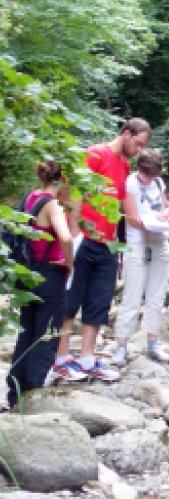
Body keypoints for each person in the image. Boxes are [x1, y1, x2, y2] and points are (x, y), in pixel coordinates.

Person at [54, 117, 151, 383]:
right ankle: (61, 357)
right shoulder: (96, 154)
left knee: (99, 299)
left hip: (108, 242)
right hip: (84, 237)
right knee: (70, 298)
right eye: (139, 144)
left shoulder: (123, 165)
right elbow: (72, 192)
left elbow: (120, 203)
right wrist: (73, 235)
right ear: (127, 134)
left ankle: (87, 356)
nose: (140, 151)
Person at [6, 160, 79, 405]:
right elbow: (66, 237)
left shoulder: (30, 198)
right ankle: (32, 391)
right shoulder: (52, 204)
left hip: (27, 274)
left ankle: (14, 390)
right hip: (49, 275)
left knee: (27, 332)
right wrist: (70, 263)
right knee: (47, 335)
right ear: (63, 181)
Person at [110, 148, 169, 366]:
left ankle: (153, 342)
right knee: (132, 296)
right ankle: (121, 345)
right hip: (136, 243)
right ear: (139, 169)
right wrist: (149, 221)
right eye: (147, 174)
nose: (150, 179)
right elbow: (131, 217)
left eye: (154, 174)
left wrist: (164, 215)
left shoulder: (158, 183)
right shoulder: (130, 184)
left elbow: (165, 206)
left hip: (158, 241)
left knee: (157, 295)